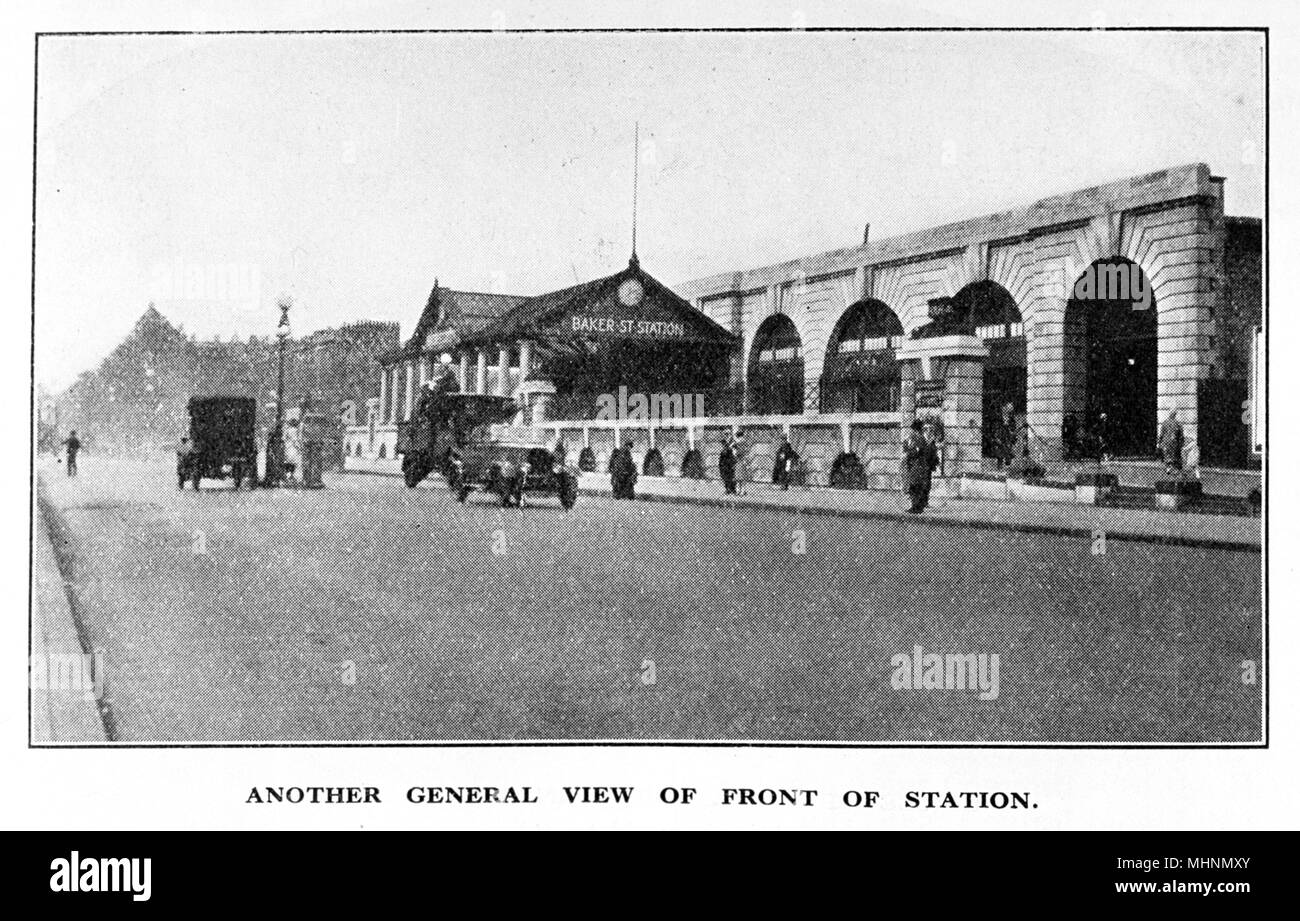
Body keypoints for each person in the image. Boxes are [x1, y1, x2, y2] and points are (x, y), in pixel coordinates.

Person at [902, 418, 939, 513]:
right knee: (915, 486)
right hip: (916, 465)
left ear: (915, 429)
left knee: (915, 486)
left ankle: (916, 507)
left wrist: (909, 453)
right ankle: (916, 506)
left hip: (917, 465)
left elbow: (916, 451)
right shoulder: (917, 437)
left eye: (913, 429)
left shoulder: (918, 438)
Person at [1159, 409, 1185, 474]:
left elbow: (1161, 434)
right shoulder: (1178, 424)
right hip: (1174, 442)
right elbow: (1181, 435)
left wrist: (1159, 442)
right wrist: (1182, 443)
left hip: (1166, 442)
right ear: (1175, 415)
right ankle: (1174, 469)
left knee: (1167, 455)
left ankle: (1168, 467)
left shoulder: (1164, 423)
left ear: (1169, 414)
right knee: (1175, 455)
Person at [732, 431, 749, 496]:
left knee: (739, 477)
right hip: (741, 460)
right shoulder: (741, 442)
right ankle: (741, 491)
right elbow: (745, 451)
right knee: (741, 477)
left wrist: (735, 451)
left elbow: (733, 448)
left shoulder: (738, 442)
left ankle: (739, 491)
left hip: (739, 460)